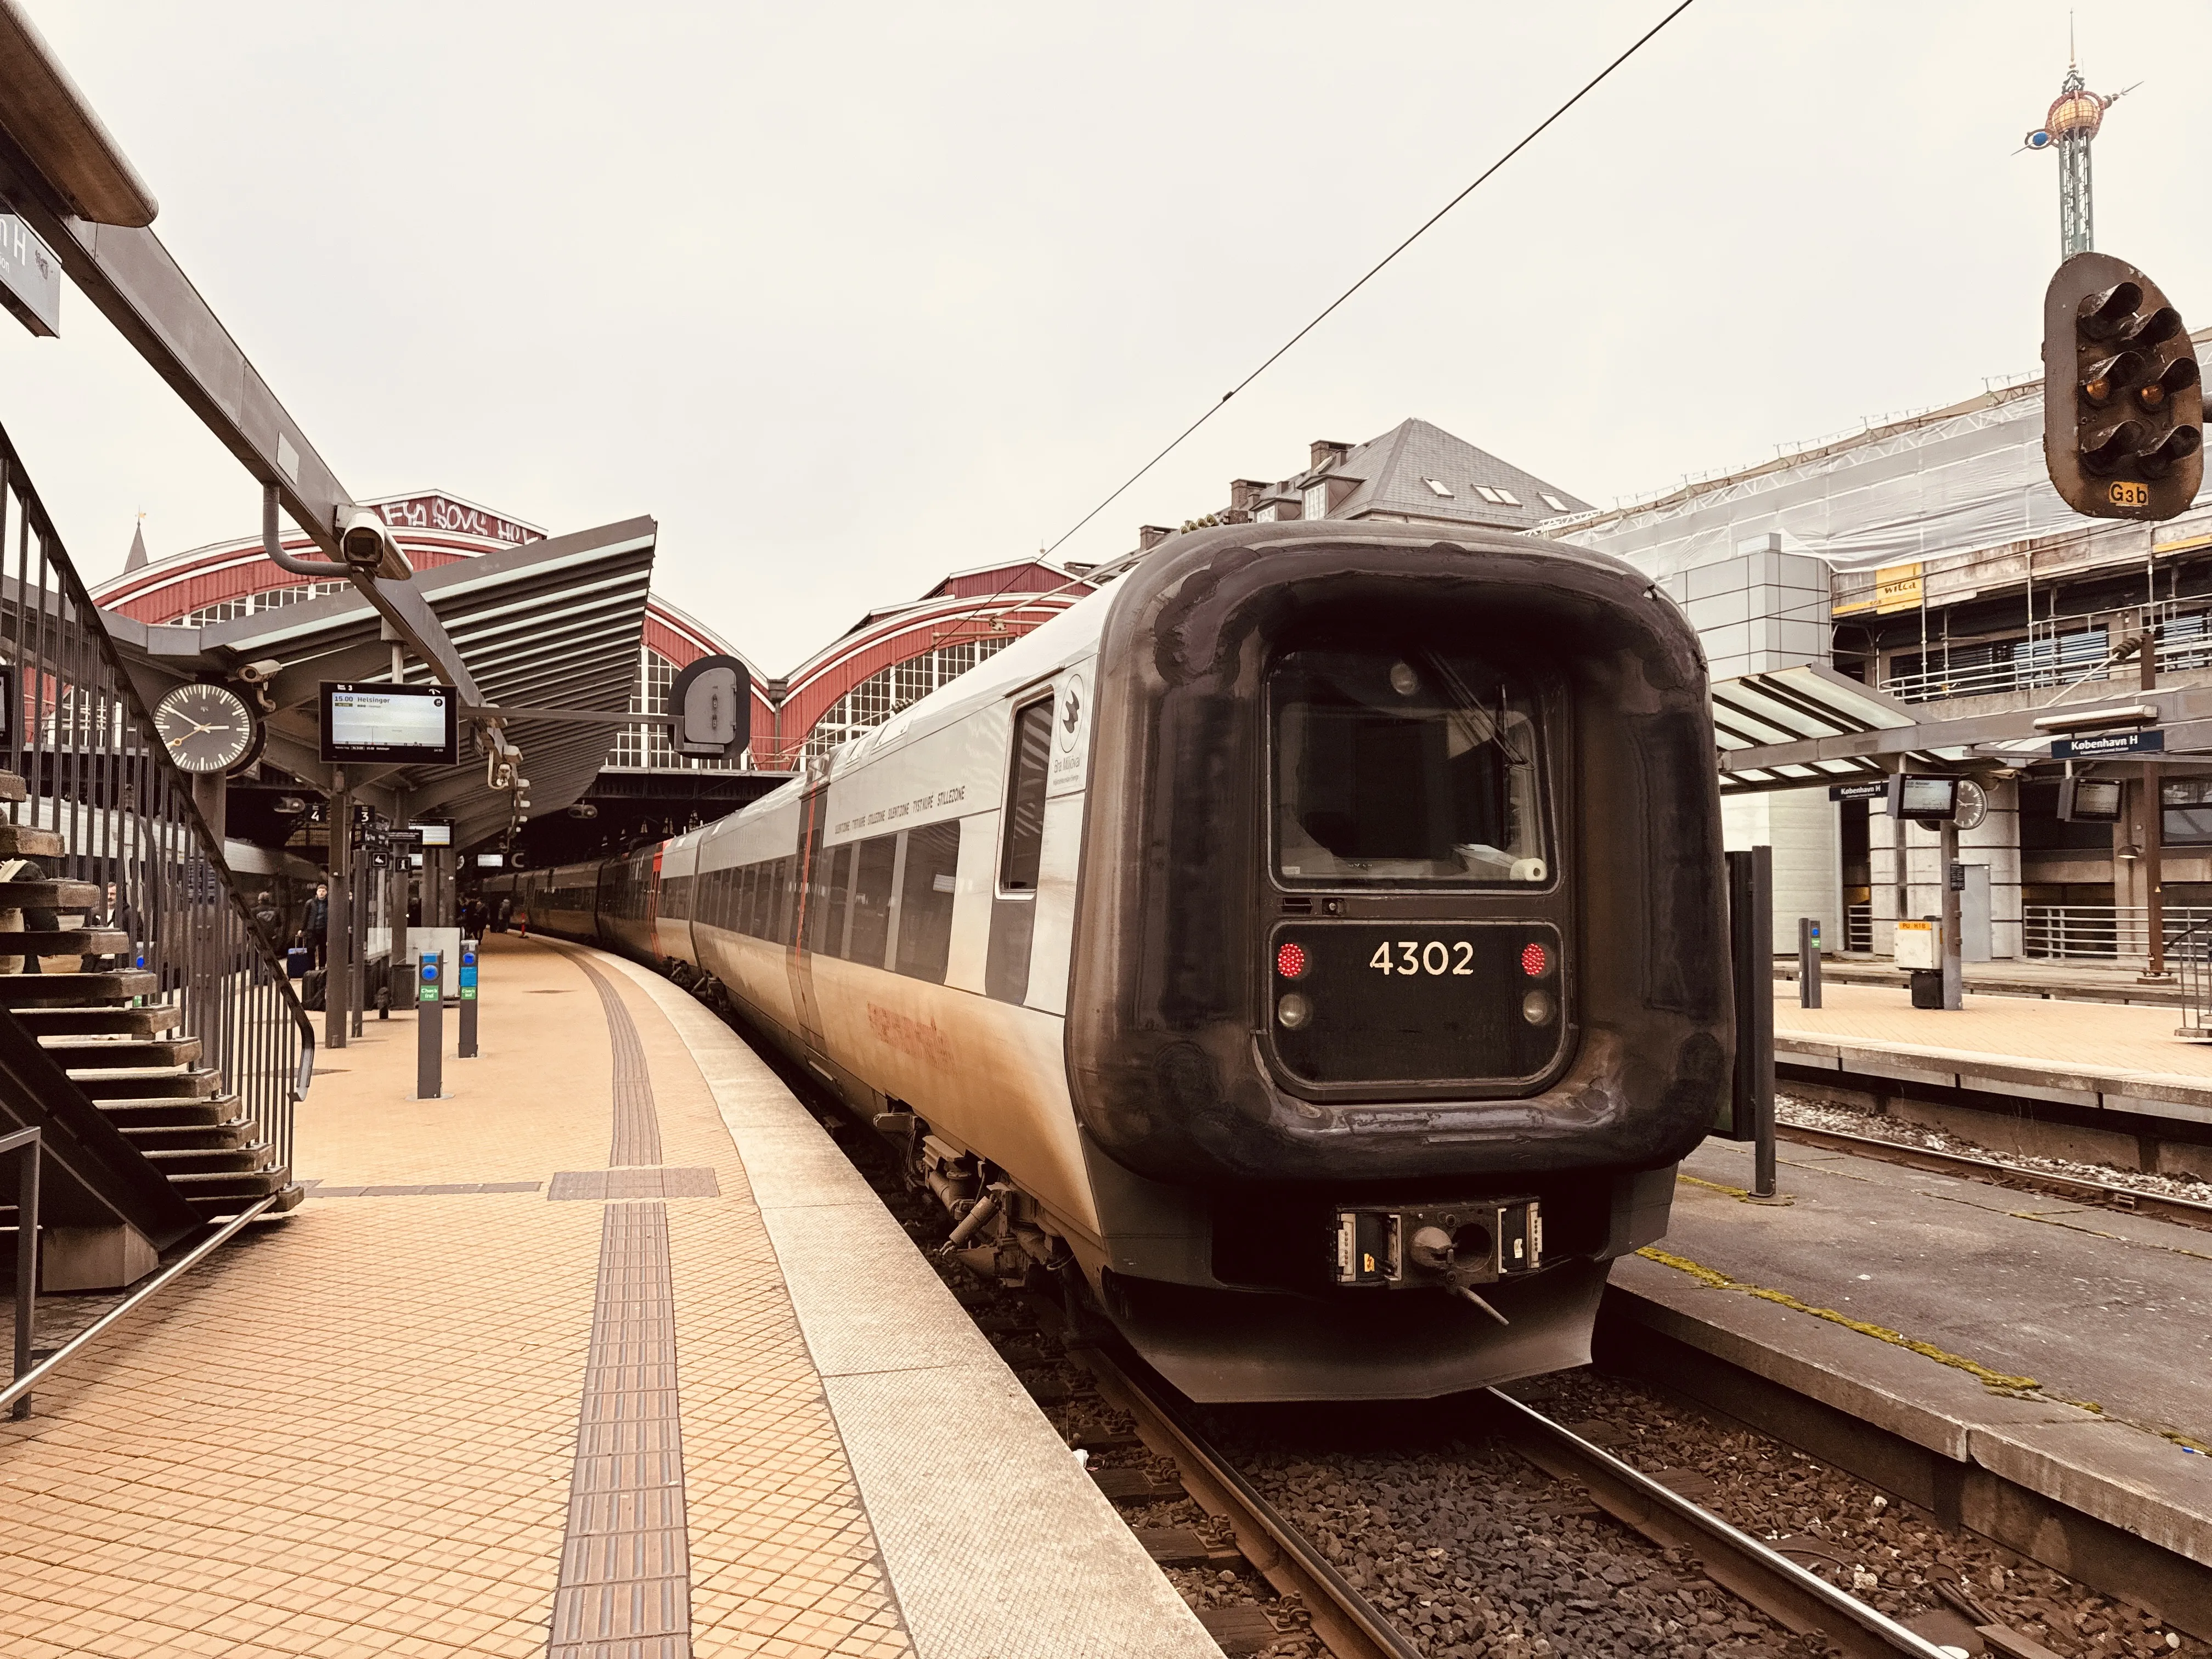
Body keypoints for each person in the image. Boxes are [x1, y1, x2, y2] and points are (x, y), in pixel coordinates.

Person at [302, 881, 330, 968]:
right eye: (320, 891)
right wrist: (302, 929)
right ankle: (312, 968)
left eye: (323, 891)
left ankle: (322, 966)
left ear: (326, 892)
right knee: (310, 949)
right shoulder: (310, 903)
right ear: (317, 892)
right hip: (312, 930)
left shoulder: (329, 903)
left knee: (323, 949)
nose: (321, 893)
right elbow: (305, 917)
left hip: (324, 930)